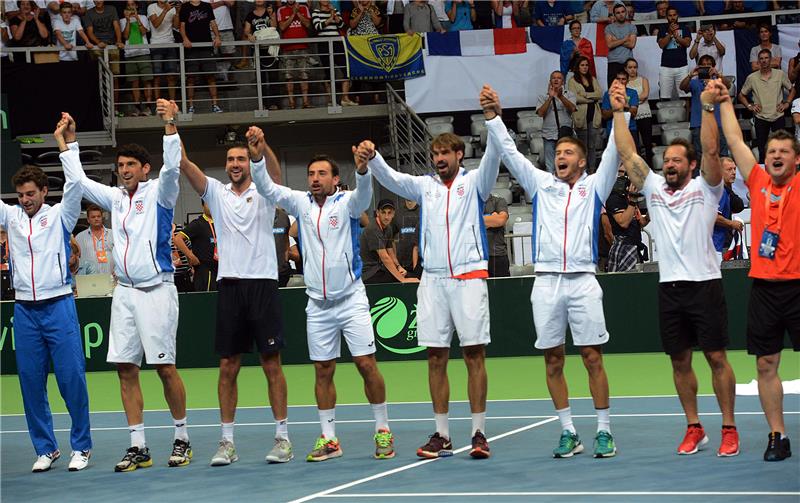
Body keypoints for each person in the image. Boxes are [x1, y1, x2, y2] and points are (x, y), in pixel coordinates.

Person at [355, 85, 503, 460]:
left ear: (458, 154)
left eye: (444, 153)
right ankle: (441, 434)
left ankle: (479, 433)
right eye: (434, 153)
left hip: (469, 277)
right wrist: (372, 159)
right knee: (435, 357)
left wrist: (493, 118)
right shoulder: (424, 187)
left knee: (474, 356)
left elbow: (495, 155)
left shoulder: (475, 183)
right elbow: (390, 178)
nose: (438, 158)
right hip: (433, 280)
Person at [486, 82, 622, 459]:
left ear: (581, 161)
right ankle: (568, 432)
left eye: (568, 152)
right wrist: (493, 118)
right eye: (557, 151)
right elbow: (512, 155)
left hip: (583, 282)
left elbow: (614, 150)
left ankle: (604, 431)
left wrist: (621, 111)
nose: (560, 156)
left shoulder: (595, 186)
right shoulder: (541, 184)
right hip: (545, 283)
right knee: (553, 359)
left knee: (593, 357)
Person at [248, 127, 395, 463]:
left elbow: (364, 196)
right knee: (323, 370)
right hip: (317, 305)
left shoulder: (347, 203)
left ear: (334, 178)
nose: (315, 179)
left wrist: (363, 169)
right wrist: (257, 157)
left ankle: (383, 430)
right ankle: (329, 439)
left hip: (351, 299)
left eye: (322, 174)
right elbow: (268, 188)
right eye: (311, 174)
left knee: (366, 365)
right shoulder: (300, 203)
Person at [60, 103, 192, 471]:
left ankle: (182, 438)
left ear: (144, 169)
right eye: (120, 167)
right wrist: (69, 144)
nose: (124, 171)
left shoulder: (160, 193)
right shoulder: (116, 199)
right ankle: (139, 446)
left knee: (165, 369)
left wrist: (169, 124)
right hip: (125, 294)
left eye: (130, 166)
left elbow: (173, 167)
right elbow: (81, 183)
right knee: (125, 368)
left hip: (157, 291)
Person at [614, 78, 739, 457]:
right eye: (666, 160)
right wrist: (619, 108)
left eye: (676, 161)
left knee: (717, 357)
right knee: (679, 360)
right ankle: (694, 427)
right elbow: (627, 151)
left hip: (705, 285)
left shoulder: (706, 188)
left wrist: (707, 107)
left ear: (692, 165)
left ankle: (729, 428)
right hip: (670, 289)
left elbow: (713, 147)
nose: (669, 164)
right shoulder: (652, 187)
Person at [178, 111, 291, 466]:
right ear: (226, 165)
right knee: (228, 366)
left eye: (242, 157)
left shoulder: (265, 191)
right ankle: (226, 442)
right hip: (230, 287)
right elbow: (182, 162)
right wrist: (171, 125)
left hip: (263, 286)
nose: (236, 163)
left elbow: (274, 173)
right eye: (231, 159)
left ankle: (283, 439)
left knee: (272, 363)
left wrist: (262, 146)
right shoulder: (216, 192)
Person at [1, 119, 92, 473]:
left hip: (59, 306)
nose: (25, 201)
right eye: (20, 195)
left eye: (30, 194)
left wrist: (66, 144)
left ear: (42, 192)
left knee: (71, 379)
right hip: (24, 311)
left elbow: (76, 185)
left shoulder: (60, 216)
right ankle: (46, 448)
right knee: (30, 383)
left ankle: (81, 446)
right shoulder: (10, 217)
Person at [717, 78, 800, 463]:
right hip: (765, 288)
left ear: (796, 158)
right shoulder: (758, 180)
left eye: (784, 150)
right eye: (772, 150)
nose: (777, 155)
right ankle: (777, 436)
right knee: (766, 364)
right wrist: (724, 102)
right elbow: (734, 140)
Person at [738, 49, 795, 164]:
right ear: (758, 61)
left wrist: (787, 103)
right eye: (761, 58)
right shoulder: (752, 77)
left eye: (766, 58)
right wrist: (749, 106)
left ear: (771, 60)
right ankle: (764, 176)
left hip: (777, 115)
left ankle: (782, 172)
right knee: (762, 149)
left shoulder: (780, 74)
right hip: (761, 117)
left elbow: (792, 90)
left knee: (781, 147)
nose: (764, 61)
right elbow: (741, 95)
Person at [680, 55, 731, 159]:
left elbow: (728, 85)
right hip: (698, 123)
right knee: (699, 155)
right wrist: (690, 75)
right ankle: (699, 175)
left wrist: (718, 74)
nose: (706, 67)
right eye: (703, 65)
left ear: (713, 67)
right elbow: (682, 87)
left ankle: (723, 175)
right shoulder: (694, 82)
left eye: (709, 65)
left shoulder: (718, 81)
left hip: (718, 122)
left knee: (722, 153)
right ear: (698, 67)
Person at [179, 0, 223, 113]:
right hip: (191, 48)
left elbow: (213, 23)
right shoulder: (185, 7)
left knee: (211, 76)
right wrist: (185, 39)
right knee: (191, 78)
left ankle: (215, 105)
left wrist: (217, 36)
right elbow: (182, 25)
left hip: (206, 46)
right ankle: (191, 106)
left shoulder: (207, 6)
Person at [361, 198, 416, 284]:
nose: (386, 217)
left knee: (410, 276)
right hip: (369, 273)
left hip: (380, 269)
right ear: (377, 213)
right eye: (383, 212)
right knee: (402, 280)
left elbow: (390, 253)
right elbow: (385, 258)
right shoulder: (373, 229)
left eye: (389, 213)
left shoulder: (388, 228)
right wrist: (402, 279)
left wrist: (398, 267)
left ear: (393, 214)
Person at [606, 167, 649, 272]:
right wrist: (633, 201)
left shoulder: (629, 197)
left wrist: (652, 210)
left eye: (625, 173)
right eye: (620, 172)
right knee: (624, 284)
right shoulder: (613, 198)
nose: (623, 176)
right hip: (624, 247)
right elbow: (623, 223)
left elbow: (641, 222)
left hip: (635, 246)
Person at [313, 1, 355, 106]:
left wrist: (334, 14)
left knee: (345, 69)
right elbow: (318, 27)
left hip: (337, 43)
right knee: (328, 71)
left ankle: (345, 98)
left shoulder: (335, 11)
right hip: (324, 43)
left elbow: (341, 25)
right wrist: (330, 19)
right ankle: (331, 99)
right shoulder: (316, 12)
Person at [536, 71, 577, 174]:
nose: (556, 80)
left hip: (565, 134)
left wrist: (560, 97)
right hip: (549, 134)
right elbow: (540, 113)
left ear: (563, 82)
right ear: (550, 81)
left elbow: (572, 108)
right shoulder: (543, 96)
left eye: (559, 78)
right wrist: (550, 97)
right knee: (550, 165)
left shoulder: (569, 94)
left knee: (566, 163)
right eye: (553, 78)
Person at [174, 200, 218, 292]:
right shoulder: (198, 224)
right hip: (205, 272)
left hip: (221, 271)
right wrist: (190, 256)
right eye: (208, 203)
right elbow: (178, 239)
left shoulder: (221, 222)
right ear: (202, 206)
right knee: (206, 303)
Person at [120, 0, 154, 117]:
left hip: (143, 52)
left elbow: (144, 31)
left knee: (147, 80)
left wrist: (137, 18)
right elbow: (125, 36)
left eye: (133, 5)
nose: (131, 7)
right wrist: (129, 20)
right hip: (130, 54)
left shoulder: (143, 17)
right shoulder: (123, 20)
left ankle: (148, 107)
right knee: (134, 83)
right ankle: (138, 108)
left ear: (137, 6)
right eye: (128, 5)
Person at [244, 0, 279, 111]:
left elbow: (275, 27)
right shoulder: (250, 15)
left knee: (274, 78)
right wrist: (249, 35)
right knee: (261, 79)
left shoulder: (271, 12)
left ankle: (274, 103)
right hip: (259, 50)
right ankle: (263, 104)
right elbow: (246, 30)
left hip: (271, 49)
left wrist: (270, 14)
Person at [277, 0, 313, 109]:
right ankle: (291, 103)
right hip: (287, 48)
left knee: (304, 75)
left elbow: (307, 24)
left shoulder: (304, 8)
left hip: (302, 47)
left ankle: (305, 102)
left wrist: (297, 12)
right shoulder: (281, 10)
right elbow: (282, 27)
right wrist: (293, 14)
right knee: (288, 76)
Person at [569, 56, 602, 171]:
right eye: (582, 65)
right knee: (582, 147)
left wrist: (586, 95)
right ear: (577, 67)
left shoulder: (592, 79)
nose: (585, 67)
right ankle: (583, 171)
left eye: (586, 65)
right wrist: (591, 99)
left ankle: (592, 170)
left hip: (593, 116)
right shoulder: (572, 81)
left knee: (592, 146)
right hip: (581, 117)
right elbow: (574, 98)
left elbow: (599, 94)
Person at [147, 0, 180, 102]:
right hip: (156, 44)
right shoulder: (151, 7)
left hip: (170, 43)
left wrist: (177, 12)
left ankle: (172, 104)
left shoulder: (172, 8)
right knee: (157, 77)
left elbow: (176, 26)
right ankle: (159, 105)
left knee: (171, 77)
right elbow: (156, 23)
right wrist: (166, 10)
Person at [713, 157, 745, 259]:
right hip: (716, 245)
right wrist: (732, 224)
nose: (734, 172)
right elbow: (712, 216)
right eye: (729, 169)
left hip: (721, 243)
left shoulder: (726, 191)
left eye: (734, 169)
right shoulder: (719, 191)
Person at [655, 5, 690, 100]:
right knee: (664, 97)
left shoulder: (685, 28)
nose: (672, 17)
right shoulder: (662, 29)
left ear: (677, 15)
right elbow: (661, 45)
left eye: (674, 15)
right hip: (666, 67)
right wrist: (670, 33)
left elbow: (687, 43)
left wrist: (677, 36)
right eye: (670, 15)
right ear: (666, 16)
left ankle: (686, 115)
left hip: (682, 66)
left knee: (685, 96)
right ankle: (665, 115)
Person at [625, 57, 653, 168]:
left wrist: (632, 100)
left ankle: (650, 167)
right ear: (626, 69)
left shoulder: (643, 80)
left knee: (647, 143)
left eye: (635, 67)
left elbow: (645, 95)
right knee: (634, 145)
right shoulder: (624, 82)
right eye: (630, 67)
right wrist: (636, 100)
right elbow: (624, 100)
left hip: (645, 113)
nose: (632, 70)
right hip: (631, 116)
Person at [74, 204, 113, 275]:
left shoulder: (113, 234)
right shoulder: (80, 237)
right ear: (88, 220)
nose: (96, 219)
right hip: (89, 281)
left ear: (102, 218)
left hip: (111, 278)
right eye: (93, 217)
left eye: (98, 216)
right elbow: (76, 259)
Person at [601, 70, 638, 145]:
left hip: (630, 129)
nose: (620, 81)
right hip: (612, 130)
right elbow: (604, 115)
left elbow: (634, 113)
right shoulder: (608, 94)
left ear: (627, 80)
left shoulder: (633, 92)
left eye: (623, 79)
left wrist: (625, 106)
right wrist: (617, 107)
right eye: (618, 79)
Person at [603, 3, 636, 87]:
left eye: (622, 12)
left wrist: (616, 40)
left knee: (629, 89)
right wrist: (625, 39)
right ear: (614, 15)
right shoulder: (609, 28)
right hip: (613, 62)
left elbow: (632, 44)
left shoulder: (632, 27)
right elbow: (610, 45)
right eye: (618, 13)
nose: (621, 14)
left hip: (628, 63)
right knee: (614, 91)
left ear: (626, 13)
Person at [483, 193, 509, 277]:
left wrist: (476, 220)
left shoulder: (499, 201)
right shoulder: (470, 203)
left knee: (501, 288)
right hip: (476, 257)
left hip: (497, 255)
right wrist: (491, 218)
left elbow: (500, 220)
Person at [395, 198, 421, 278]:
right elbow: (389, 238)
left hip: (419, 265)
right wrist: (396, 263)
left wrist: (416, 268)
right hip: (402, 265)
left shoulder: (423, 212)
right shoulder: (398, 213)